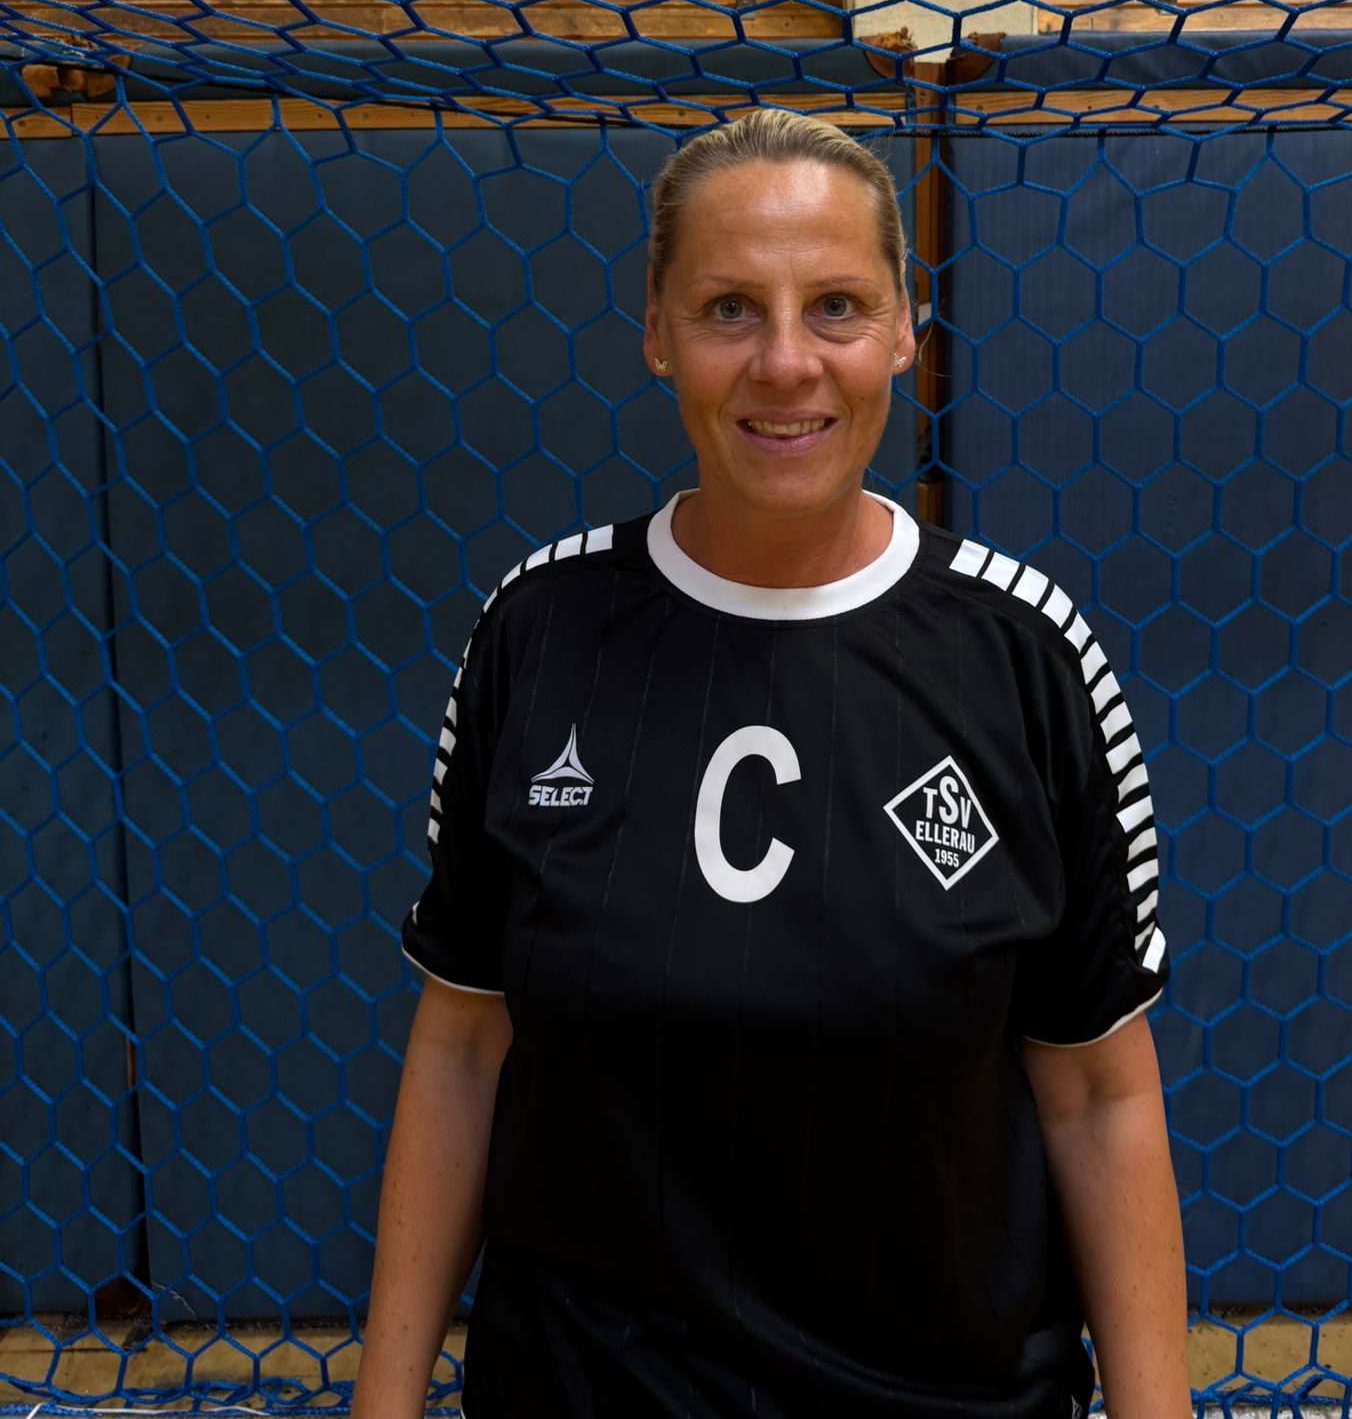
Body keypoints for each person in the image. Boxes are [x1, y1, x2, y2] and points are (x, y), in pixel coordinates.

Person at [353, 108, 1189, 1419]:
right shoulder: (540, 631)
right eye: (731, 309)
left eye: (837, 306)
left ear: (907, 328)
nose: (787, 363)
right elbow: (463, 1045)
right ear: (658, 331)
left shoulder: (1026, 656)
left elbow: (1096, 1091)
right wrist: (381, 1406)